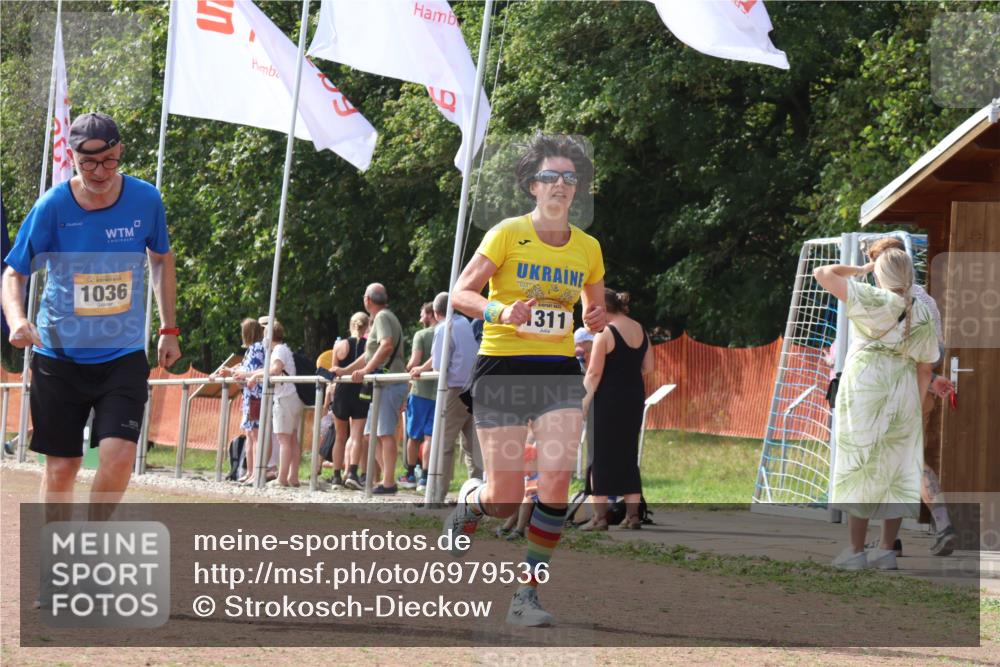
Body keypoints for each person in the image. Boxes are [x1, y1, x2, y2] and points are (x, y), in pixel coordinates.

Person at [443, 133, 606, 626]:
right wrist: (500, 309)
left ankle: (525, 596)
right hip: (504, 368)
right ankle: (471, 504)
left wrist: (594, 319)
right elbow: (460, 293)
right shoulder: (507, 234)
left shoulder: (588, 247)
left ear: (576, 190)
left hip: (557, 371)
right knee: (504, 498)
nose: (560, 185)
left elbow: (591, 306)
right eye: (550, 177)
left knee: (555, 481)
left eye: (569, 178)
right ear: (533, 186)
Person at [2, 112, 181, 518]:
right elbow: (14, 272)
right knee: (63, 468)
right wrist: (16, 319)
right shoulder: (53, 206)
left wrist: (169, 328)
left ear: (120, 152)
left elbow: (161, 260)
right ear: (72, 156)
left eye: (109, 161)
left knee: (118, 457)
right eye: (88, 163)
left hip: (122, 351)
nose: (100, 172)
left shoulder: (146, 199)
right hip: (59, 356)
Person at [814, 248, 940, 570]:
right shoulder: (923, 312)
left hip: (864, 391)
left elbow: (823, 273)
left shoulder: (870, 298)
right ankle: (886, 551)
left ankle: (855, 550)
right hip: (903, 392)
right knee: (896, 469)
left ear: (880, 274)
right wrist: (915, 402)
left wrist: (860, 268)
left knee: (860, 463)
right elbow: (926, 367)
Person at [864, 236, 957, 556]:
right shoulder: (927, 301)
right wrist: (930, 379)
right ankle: (904, 536)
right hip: (922, 392)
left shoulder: (883, 301)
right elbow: (937, 349)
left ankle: (891, 542)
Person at [581, 290, 653, 530]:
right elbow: (648, 367)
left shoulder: (605, 333)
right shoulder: (640, 329)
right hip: (633, 398)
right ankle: (632, 517)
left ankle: (599, 518)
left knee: (599, 456)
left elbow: (593, 373)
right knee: (627, 456)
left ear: (602, 309)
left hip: (607, 400)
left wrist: (583, 402)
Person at [333, 283, 407, 494]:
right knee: (370, 434)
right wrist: (346, 370)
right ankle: (388, 477)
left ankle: (389, 482)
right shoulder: (381, 318)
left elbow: (386, 345)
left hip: (388, 383)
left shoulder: (382, 318)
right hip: (383, 384)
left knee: (383, 434)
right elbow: (369, 354)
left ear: (367, 299)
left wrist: (365, 370)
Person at [413, 291, 481, 502]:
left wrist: (420, 369)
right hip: (474, 388)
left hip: (455, 390)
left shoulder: (444, 327)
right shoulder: (465, 324)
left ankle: (436, 493)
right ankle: (476, 491)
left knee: (443, 442)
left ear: (435, 311)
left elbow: (439, 363)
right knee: (472, 445)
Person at [216, 318, 271, 485]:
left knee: (254, 435)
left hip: (255, 395)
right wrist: (232, 370)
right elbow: (246, 368)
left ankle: (254, 472)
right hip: (251, 395)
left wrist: (234, 372)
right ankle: (249, 471)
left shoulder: (256, 348)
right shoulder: (254, 349)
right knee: (249, 435)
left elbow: (248, 371)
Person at [248, 319, 303, 488]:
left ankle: (282, 478)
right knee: (292, 439)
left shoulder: (278, 350)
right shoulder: (284, 349)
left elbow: (274, 369)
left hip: (284, 397)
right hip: (293, 397)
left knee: (283, 439)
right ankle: (293, 477)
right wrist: (254, 374)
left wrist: (255, 376)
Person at [326, 312, 370, 490]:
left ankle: (336, 475)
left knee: (340, 436)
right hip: (361, 390)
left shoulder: (340, 345)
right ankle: (352, 471)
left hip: (342, 392)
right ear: (367, 327)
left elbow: (333, 370)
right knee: (357, 434)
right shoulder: (369, 346)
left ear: (350, 325)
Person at [400, 302, 436, 489]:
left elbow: (414, 361)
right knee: (430, 437)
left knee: (413, 436)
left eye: (422, 313)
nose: (420, 317)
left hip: (420, 391)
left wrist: (406, 368)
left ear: (430, 314)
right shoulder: (445, 334)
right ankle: (425, 477)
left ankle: (409, 474)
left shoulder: (421, 335)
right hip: (438, 393)